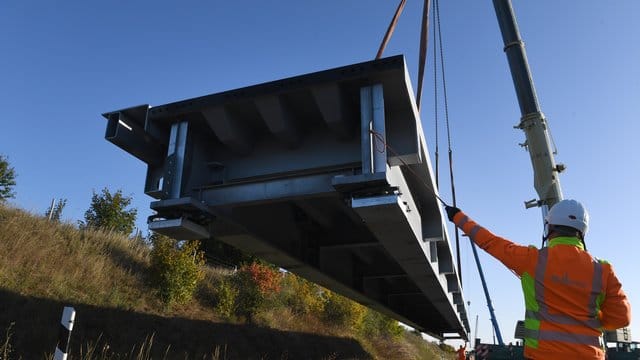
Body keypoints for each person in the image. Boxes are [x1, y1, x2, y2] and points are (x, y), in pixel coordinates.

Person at [444, 199, 631, 360]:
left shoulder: (532, 259)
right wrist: (591, 319)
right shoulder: (603, 270)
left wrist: (458, 217)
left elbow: (490, 242)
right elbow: (621, 318)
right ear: (582, 232)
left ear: (549, 228)